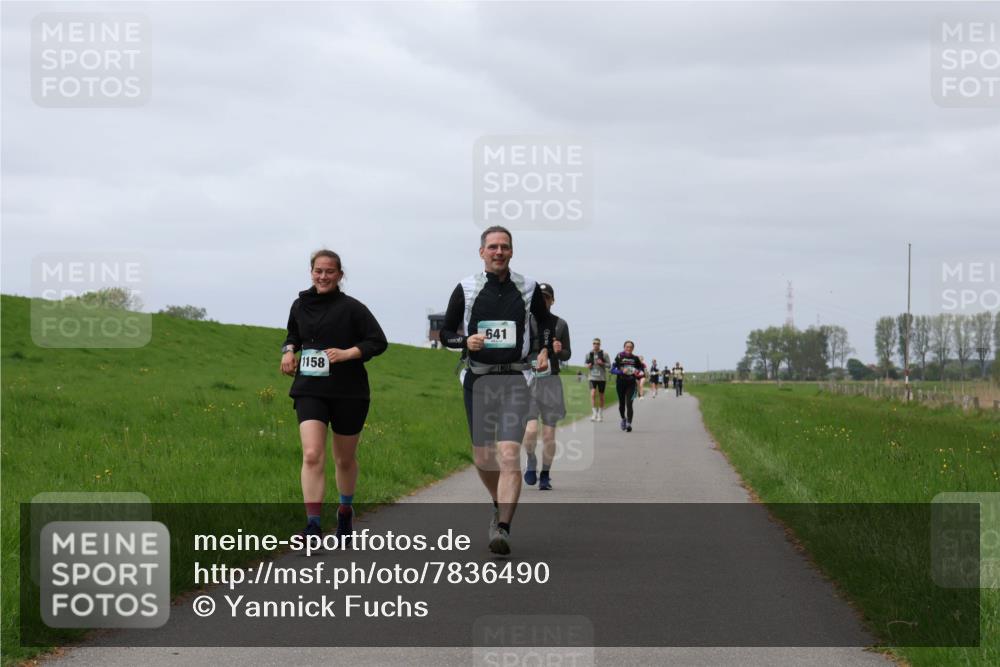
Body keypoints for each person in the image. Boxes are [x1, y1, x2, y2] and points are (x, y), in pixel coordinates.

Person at [439, 226, 554, 555]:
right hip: (478, 379)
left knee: (507, 454)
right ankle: (496, 501)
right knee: (483, 457)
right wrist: (466, 341)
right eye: (493, 247)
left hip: (516, 379)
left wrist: (545, 348)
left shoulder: (528, 287)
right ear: (482, 252)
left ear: (512, 251)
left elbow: (546, 323)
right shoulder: (466, 287)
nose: (499, 252)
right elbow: (446, 333)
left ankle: (503, 526)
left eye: (504, 247)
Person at [281, 249, 388, 545]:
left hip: (349, 391)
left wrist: (347, 354)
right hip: (310, 389)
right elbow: (292, 335)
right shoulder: (299, 305)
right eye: (318, 271)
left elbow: (378, 342)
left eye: (329, 271)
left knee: (344, 459)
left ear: (340, 275)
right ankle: (313, 525)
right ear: (311, 272)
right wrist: (289, 351)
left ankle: (344, 509)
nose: (323, 276)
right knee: (313, 454)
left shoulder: (353, 308)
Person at [522, 283, 571, 491]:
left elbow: (568, 354)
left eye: (547, 297)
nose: (543, 301)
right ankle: (531, 459)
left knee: (549, 435)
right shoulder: (524, 324)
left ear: (552, 300)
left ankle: (545, 475)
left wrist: (559, 352)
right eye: (539, 297)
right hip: (529, 381)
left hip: (551, 383)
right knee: (531, 430)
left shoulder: (560, 324)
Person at [611, 341, 645, 432]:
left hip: (631, 384)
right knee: (621, 404)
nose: (629, 348)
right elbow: (612, 370)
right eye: (627, 347)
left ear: (633, 348)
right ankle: (623, 419)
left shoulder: (635, 358)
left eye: (630, 347)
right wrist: (622, 372)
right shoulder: (619, 356)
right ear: (624, 347)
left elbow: (641, 370)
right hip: (620, 383)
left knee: (629, 404)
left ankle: (629, 424)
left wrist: (638, 372)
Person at [585, 338, 611, 421]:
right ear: (592, 344)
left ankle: (600, 414)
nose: (596, 345)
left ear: (600, 344)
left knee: (601, 396)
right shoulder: (589, 354)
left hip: (601, 378)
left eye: (597, 343)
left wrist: (602, 363)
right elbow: (585, 364)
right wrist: (588, 366)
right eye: (594, 343)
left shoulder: (604, 354)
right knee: (592, 394)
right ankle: (594, 414)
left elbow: (609, 365)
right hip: (592, 377)